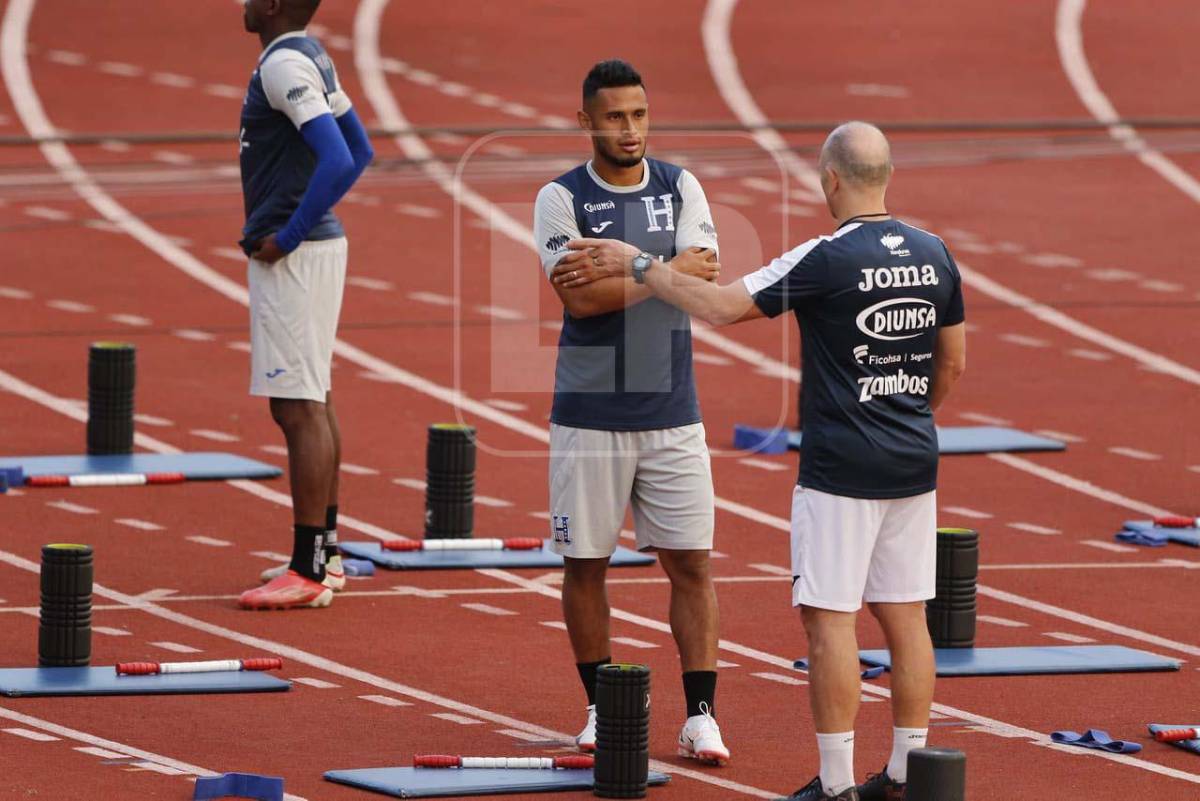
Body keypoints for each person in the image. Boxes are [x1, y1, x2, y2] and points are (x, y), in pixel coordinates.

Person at [559, 121, 966, 800]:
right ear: (887, 175)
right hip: (913, 462)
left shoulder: (825, 256)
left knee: (830, 619)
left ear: (830, 179)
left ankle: (836, 783)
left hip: (840, 470)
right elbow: (951, 364)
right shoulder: (936, 253)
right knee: (906, 615)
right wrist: (906, 417)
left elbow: (721, 307)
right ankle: (906, 772)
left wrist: (638, 264)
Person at [531, 59, 731, 765]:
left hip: (673, 410)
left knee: (692, 565)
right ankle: (599, 708)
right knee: (586, 564)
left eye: (639, 114)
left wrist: (627, 265)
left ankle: (700, 716)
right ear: (586, 121)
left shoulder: (680, 186)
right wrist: (662, 273)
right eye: (615, 116)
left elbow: (707, 276)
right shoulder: (560, 197)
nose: (630, 129)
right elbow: (579, 299)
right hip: (589, 415)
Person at [235, 0, 374, 610]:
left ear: (270, 4)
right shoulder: (308, 54)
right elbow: (360, 151)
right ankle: (325, 556)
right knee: (311, 398)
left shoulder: (284, 66)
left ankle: (309, 569)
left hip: (296, 256)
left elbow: (342, 157)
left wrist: (287, 235)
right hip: (311, 249)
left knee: (297, 407)